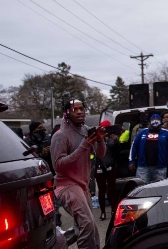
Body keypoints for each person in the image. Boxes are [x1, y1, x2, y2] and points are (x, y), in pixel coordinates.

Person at [50, 99, 105, 249]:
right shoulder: (60, 136)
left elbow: (100, 154)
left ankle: (55, 245)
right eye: (75, 109)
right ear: (66, 113)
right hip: (66, 186)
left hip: (83, 186)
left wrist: (100, 141)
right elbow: (58, 166)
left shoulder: (86, 130)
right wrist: (83, 147)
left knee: (86, 227)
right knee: (87, 224)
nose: (80, 112)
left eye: (82, 109)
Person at [128, 113, 168, 184]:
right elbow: (134, 146)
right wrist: (131, 161)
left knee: (159, 189)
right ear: (150, 121)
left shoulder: (167, 134)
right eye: (153, 119)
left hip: (160, 167)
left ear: (160, 121)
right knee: (141, 188)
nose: (155, 121)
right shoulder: (142, 133)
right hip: (143, 167)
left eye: (157, 119)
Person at [94, 120, 119, 221]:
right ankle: (103, 212)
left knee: (111, 189)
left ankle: (113, 209)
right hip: (99, 166)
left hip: (111, 166)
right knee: (101, 190)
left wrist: (116, 142)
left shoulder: (112, 138)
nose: (105, 131)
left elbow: (118, 152)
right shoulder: (97, 139)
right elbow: (93, 151)